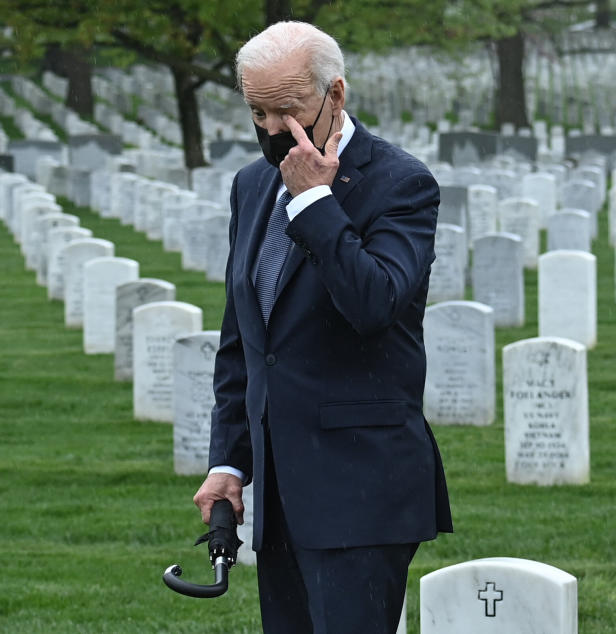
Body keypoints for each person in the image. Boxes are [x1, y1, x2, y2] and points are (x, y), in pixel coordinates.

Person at [192, 21, 453, 633]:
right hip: (281, 493)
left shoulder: (401, 184)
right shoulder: (251, 184)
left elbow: (374, 303)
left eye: (287, 111)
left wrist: (314, 203)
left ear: (335, 94)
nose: (271, 130)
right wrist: (230, 461)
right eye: (257, 112)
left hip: (361, 486)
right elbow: (246, 340)